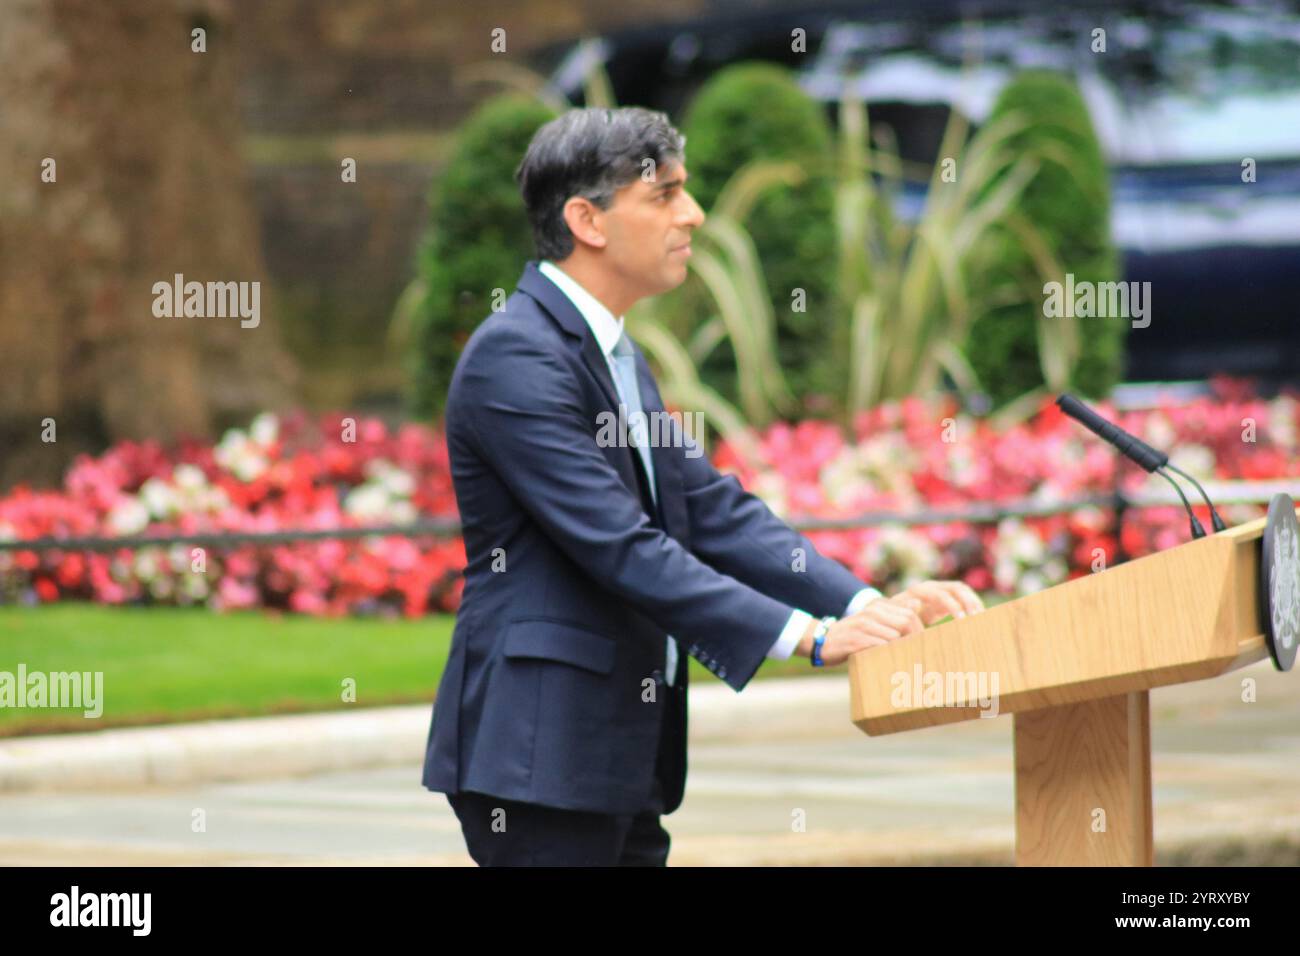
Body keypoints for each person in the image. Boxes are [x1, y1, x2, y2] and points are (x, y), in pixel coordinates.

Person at [421, 106, 983, 866]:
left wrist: (861, 605)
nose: (694, 214)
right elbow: (621, 546)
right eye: (664, 195)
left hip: (615, 753)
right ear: (587, 219)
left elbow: (711, 511)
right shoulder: (515, 358)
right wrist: (810, 638)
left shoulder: (614, 350)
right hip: (540, 759)